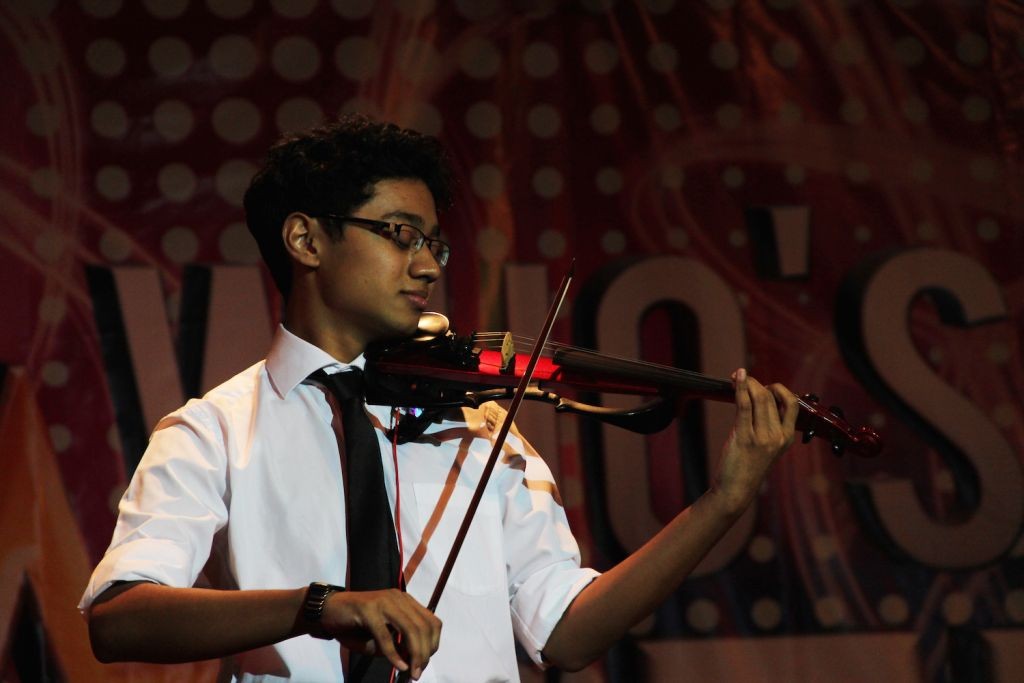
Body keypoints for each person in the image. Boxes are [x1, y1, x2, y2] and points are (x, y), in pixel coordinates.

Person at [80, 114, 798, 682]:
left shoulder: (480, 422)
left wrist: (720, 504)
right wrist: (322, 607)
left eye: (433, 243)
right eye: (400, 235)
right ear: (305, 239)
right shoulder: (212, 431)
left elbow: (565, 634)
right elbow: (118, 618)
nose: (426, 264)